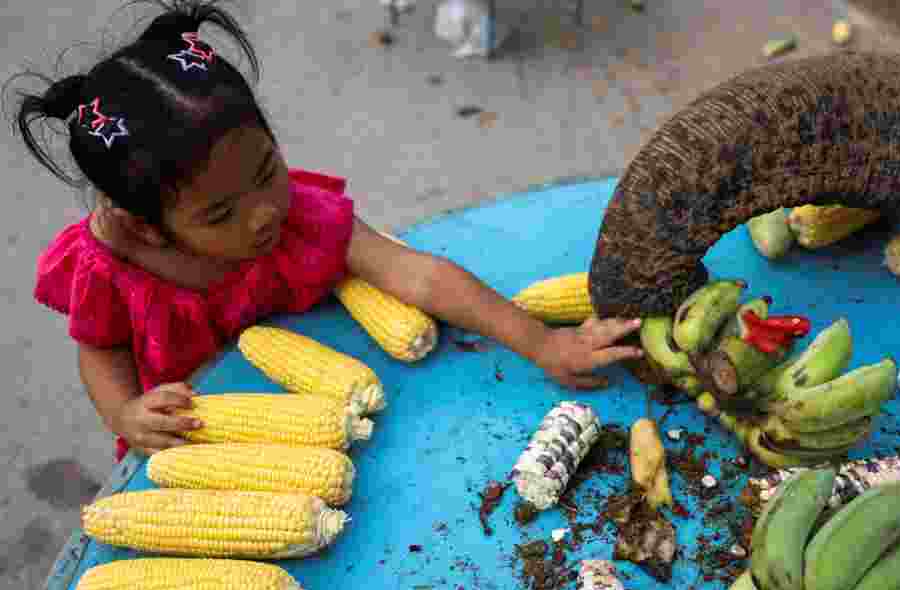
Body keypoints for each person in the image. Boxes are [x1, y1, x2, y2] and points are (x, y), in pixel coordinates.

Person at [7, 0, 644, 459]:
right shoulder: (111, 268)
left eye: (267, 169)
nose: (262, 212)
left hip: (324, 404)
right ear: (147, 229)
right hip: (202, 430)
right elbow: (101, 352)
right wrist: (123, 412)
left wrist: (541, 343)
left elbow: (414, 271)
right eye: (221, 214)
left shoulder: (294, 216)